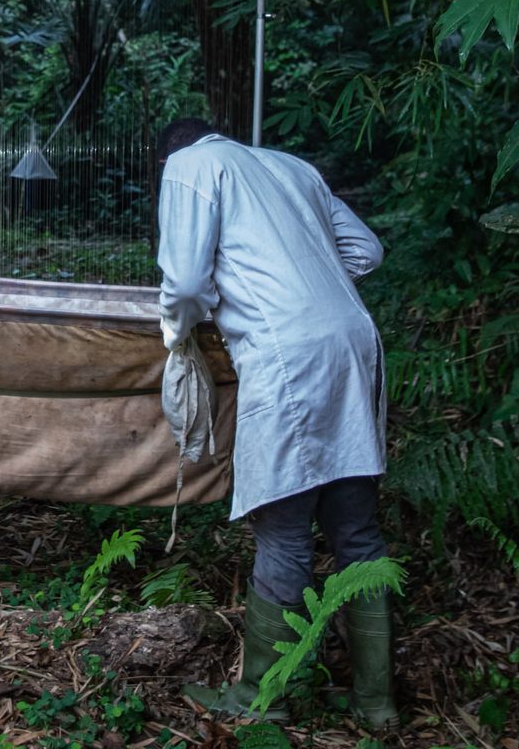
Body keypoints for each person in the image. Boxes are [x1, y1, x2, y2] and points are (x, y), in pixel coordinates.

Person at [155, 118, 396, 727]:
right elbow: (367, 251)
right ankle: (376, 704)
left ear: (172, 154)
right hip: (354, 341)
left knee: (285, 529)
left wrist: (177, 332)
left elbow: (184, 283)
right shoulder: (292, 167)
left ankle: (261, 700)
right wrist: (308, 283)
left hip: (289, 353)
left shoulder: (191, 165)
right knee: (357, 533)